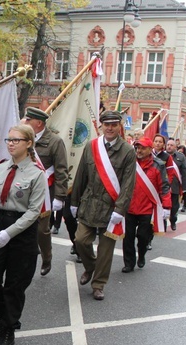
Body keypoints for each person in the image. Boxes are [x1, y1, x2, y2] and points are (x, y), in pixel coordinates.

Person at [0, 124, 46, 345]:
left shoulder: (36, 174)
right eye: (8, 139)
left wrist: (10, 232)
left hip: (22, 231)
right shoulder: (1, 169)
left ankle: (6, 327)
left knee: (16, 284)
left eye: (16, 140)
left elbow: (34, 211)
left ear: (29, 143)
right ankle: (6, 315)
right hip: (0, 224)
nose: (10, 143)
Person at [70, 110, 136, 301]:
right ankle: (90, 266)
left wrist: (120, 210)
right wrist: (74, 202)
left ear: (119, 127)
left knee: (106, 251)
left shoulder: (127, 151)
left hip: (111, 208)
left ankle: (98, 284)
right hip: (89, 204)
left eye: (114, 125)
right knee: (81, 240)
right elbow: (81, 174)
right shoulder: (92, 147)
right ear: (101, 126)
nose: (109, 128)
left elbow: (128, 184)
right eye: (106, 125)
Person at [23, 107, 68, 277]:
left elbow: (62, 170)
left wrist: (59, 196)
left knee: (42, 229)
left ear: (39, 123)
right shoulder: (25, 139)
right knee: (25, 226)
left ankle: (47, 256)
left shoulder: (55, 142)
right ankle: (27, 256)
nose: (25, 122)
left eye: (29, 120)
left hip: (46, 192)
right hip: (26, 189)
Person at [122, 137, 170, 272]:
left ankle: (141, 254)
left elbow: (164, 187)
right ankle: (129, 263)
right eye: (138, 148)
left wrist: (166, 206)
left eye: (143, 148)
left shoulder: (158, 164)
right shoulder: (131, 162)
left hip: (147, 208)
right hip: (130, 206)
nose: (139, 150)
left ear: (150, 150)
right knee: (128, 237)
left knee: (143, 237)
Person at [165, 138, 186, 231]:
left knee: (174, 207)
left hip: (175, 186)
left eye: (171, 145)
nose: (169, 147)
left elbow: (184, 173)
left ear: (175, 147)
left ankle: (173, 220)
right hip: (164, 186)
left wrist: (185, 188)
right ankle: (163, 223)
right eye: (168, 145)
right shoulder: (162, 156)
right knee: (164, 206)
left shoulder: (180, 157)